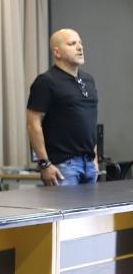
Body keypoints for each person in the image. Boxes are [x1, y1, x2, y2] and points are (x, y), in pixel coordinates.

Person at [26, 29, 98, 186]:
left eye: (80, 43)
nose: (80, 47)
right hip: (63, 167)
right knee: (67, 210)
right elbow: (33, 124)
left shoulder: (88, 80)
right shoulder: (46, 81)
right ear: (57, 52)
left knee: (92, 212)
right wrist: (44, 163)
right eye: (72, 44)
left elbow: (90, 122)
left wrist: (95, 160)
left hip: (89, 165)